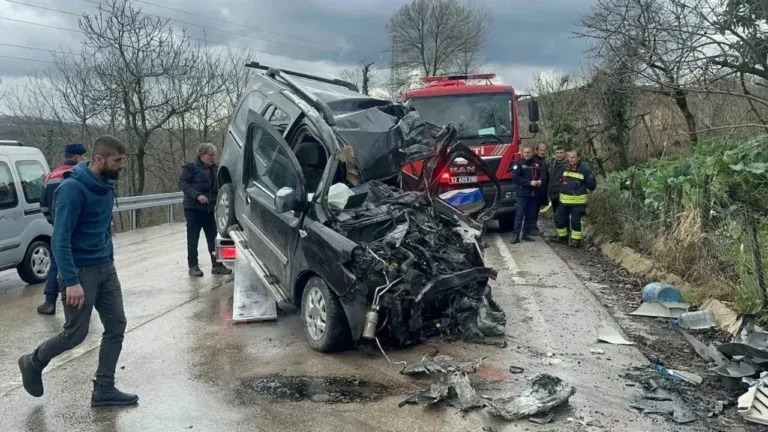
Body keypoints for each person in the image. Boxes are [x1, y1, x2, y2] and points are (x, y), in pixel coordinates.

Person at [18, 135, 138, 407]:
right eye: (117, 160)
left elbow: (103, 228)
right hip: (80, 272)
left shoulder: (106, 185)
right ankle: (33, 361)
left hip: (105, 268)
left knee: (117, 325)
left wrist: (109, 259)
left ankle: (104, 388)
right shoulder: (72, 189)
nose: (123, 166)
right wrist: (71, 280)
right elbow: (59, 239)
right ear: (99, 159)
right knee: (75, 334)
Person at [36, 143, 89, 315]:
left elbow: (42, 204)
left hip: (59, 226)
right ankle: (84, 298)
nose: (84, 160)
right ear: (76, 157)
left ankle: (50, 301)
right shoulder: (81, 175)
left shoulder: (50, 176)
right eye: (83, 156)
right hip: (80, 228)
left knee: (57, 260)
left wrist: (55, 222)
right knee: (82, 262)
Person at [179, 143, 232, 277]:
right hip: (193, 209)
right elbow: (183, 183)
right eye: (211, 155)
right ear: (202, 155)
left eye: (215, 155)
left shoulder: (216, 169)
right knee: (193, 238)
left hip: (209, 209)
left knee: (213, 238)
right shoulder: (190, 167)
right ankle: (193, 266)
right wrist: (197, 195)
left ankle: (217, 265)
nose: (213, 157)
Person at [555, 149, 597, 248]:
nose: (571, 159)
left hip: (578, 202)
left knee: (575, 221)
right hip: (564, 201)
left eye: (573, 157)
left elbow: (592, 186)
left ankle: (576, 241)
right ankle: (563, 238)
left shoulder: (585, 169)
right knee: (559, 219)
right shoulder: (564, 167)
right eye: (569, 157)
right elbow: (559, 181)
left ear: (578, 158)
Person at [510, 146, 544, 244]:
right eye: (525, 152)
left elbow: (542, 174)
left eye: (528, 152)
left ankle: (526, 234)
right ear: (522, 152)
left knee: (531, 215)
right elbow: (515, 177)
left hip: (534, 194)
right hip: (522, 194)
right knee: (519, 215)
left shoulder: (538, 163)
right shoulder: (518, 164)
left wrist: (540, 180)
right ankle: (516, 235)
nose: (526, 154)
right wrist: (529, 182)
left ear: (532, 152)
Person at [531, 143, 549, 234]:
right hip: (535, 189)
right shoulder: (533, 160)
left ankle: (534, 227)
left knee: (537, 209)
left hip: (542, 189)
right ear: (536, 150)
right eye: (541, 150)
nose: (542, 152)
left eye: (544, 150)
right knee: (533, 209)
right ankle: (532, 228)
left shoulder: (544, 160)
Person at [547, 146, 568, 225]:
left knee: (562, 215)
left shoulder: (567, 165)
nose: (559, 155)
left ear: (565, 153)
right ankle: (559, 234)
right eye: (557, 153)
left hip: (562, 194)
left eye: (561, 153)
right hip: (553, 194)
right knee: (556, 215)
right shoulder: (552, 163)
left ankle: (564, 235)